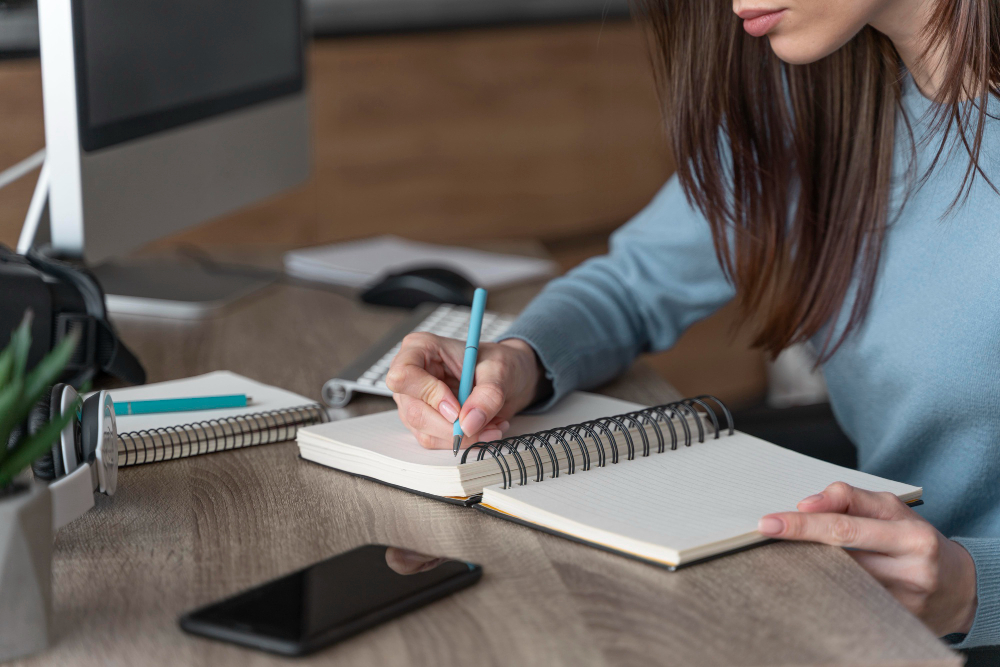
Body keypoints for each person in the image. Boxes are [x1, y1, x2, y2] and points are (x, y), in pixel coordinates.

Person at [386, 0, 1000, 647]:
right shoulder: (821, 111)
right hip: (870, 621)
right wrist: (520, 358)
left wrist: (974, 588)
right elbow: (632, 284)